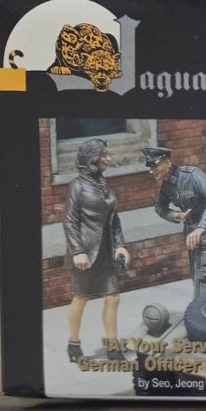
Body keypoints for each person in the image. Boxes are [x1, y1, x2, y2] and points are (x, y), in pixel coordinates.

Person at [63, 138, 131, 363]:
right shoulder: (77, 186)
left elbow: (114, 219)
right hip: (86, 251)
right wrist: (77, 251)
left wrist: (120, 245)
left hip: (106, 251)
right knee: (82, 296)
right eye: (103, 156)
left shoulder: (103, 184)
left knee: (113, 297)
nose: (107, 159)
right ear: (92, 160)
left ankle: (113, 347)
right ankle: (73, 344)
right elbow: (70, 221)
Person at [143, 146, 206, 296]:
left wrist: (202, 228)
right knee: (197, 275)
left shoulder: (192, 175)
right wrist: (175, 215)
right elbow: (159, 206)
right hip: (191, 231)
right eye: (150, 167)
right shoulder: (168, 185)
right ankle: (202, 304)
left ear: (167, 163)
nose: (152, 171)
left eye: (155, 166)